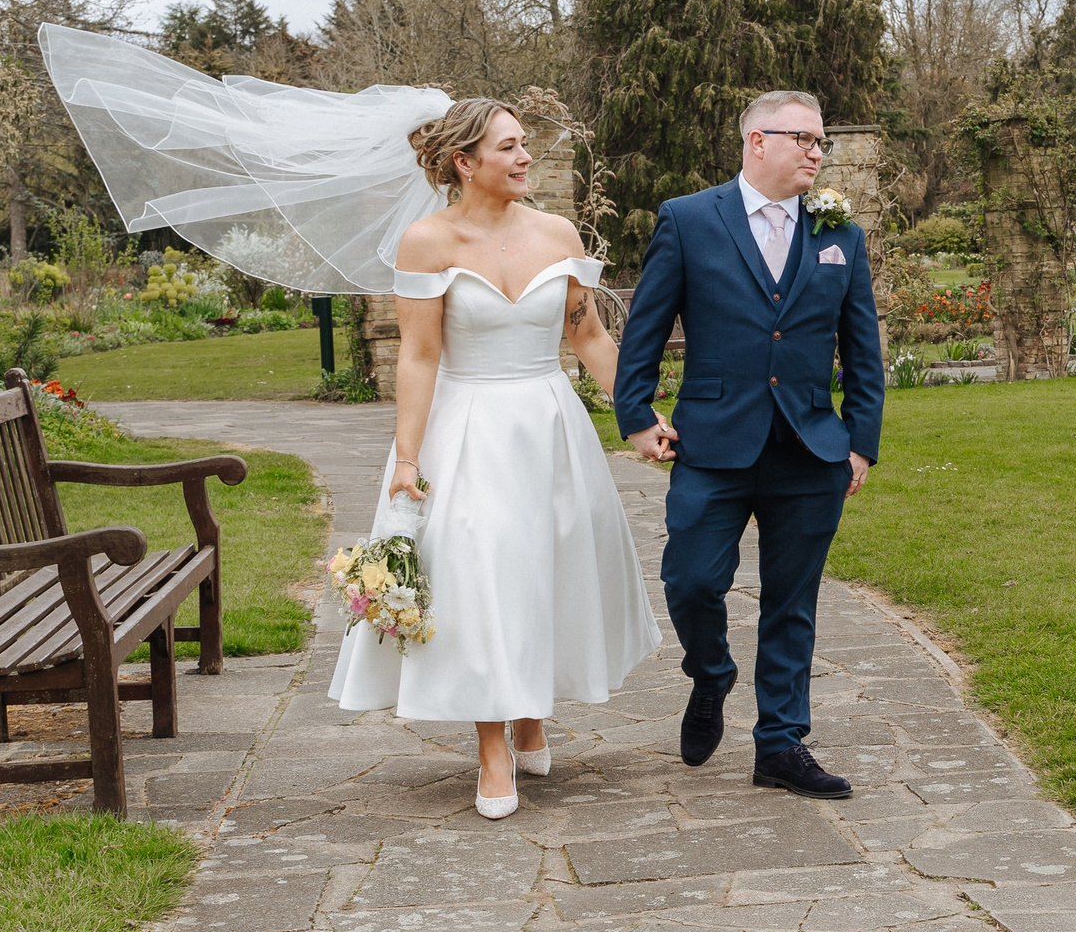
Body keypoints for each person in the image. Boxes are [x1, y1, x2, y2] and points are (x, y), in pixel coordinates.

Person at [323, 98, 659, 819]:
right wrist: (407, 461)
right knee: (481, 580)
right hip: (466, 427)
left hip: (548, 427)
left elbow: (589, 336)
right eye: (508, 147)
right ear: (463, 163)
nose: (524, 158)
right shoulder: (426, 241)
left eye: (525, 144)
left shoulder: (556, 232)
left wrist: (641, 416)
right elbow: (417, 357)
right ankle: (492, 747)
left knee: (544, 568)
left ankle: (530, 711)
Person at [612, 89, 885, 798]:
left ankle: (781, 745)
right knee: (691, 580)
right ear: (757, 141)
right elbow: (643, 327)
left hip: (811, 450)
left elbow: (863, 349)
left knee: (792, 601)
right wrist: (636, 414)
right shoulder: (688, 220)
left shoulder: (838, 235)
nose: (817, 153)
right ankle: (710, 675)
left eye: (820, 141)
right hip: (713, 443)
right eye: (804, 139)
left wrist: (861, 442)